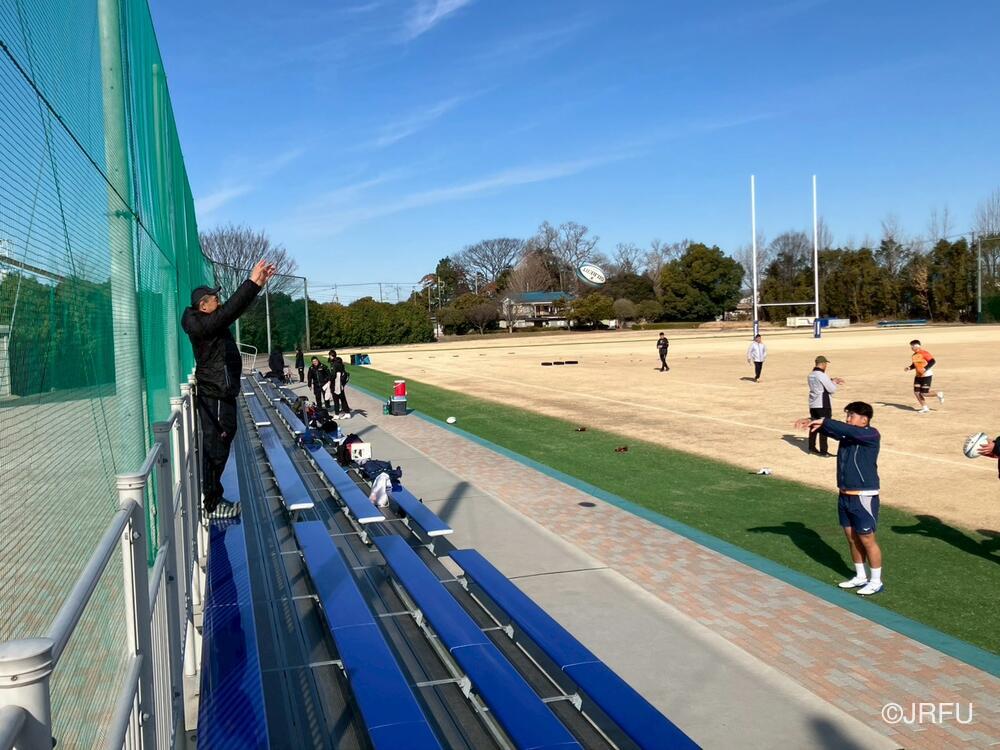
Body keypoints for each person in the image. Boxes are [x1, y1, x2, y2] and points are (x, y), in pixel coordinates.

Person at [181, 259, 276, 519]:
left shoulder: (207, 321)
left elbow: (231, 310)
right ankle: (212, 504)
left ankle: (213, 497)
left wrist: (257, 285)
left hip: (221, 390)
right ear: (203, 306)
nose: (219, 301)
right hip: (215, 391)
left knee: (222, 439)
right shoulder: (204, 325)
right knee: (216, 445)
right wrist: (253, 283)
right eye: (215, 298)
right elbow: (231, 310)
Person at [794, 401, 884, 596]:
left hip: (863, 496)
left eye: (851, 415)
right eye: (847, 415)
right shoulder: (848, 434)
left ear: (864, 419)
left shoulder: (871, 434)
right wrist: (814, 422)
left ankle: (876, 581)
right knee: (852, 538)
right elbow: (835, 431)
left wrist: (824, 421)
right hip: (844, 495)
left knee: (867, 539)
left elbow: (843, 429)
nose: (848, 419)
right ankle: (860, 576)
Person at [807, 355, 845, 456]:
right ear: (823, 364)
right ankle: (823, 451)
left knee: (814, 425)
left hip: (813, 403)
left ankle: (811, 447)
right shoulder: (822, 375)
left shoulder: (811, 375)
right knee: (824, 426)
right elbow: (831, 389)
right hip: (823, 404)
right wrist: (834, 383)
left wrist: (832, 380)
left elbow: (822, 384)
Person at [904, 339, 943, 413]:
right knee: (916, 392)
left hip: (926, 375)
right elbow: (914, 365)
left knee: (924, 393)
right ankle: (925, 408)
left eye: (912, 346)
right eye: (911, 346)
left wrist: (925, 369)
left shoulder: (924, 353)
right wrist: (909, 367)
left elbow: (932, 361)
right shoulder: (914, 355)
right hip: (918, 376)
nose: (911, 348)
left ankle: (938, 394)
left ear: (917, 346)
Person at [329, 349, 351, 417]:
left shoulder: (334, 364)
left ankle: (337, 414)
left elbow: (333, 375)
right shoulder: (340, 363)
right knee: (342, 398)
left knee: (336, 399)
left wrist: (329, 380)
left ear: (331, 356)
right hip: (341, 383)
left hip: (336, 383)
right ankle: (347, 413)